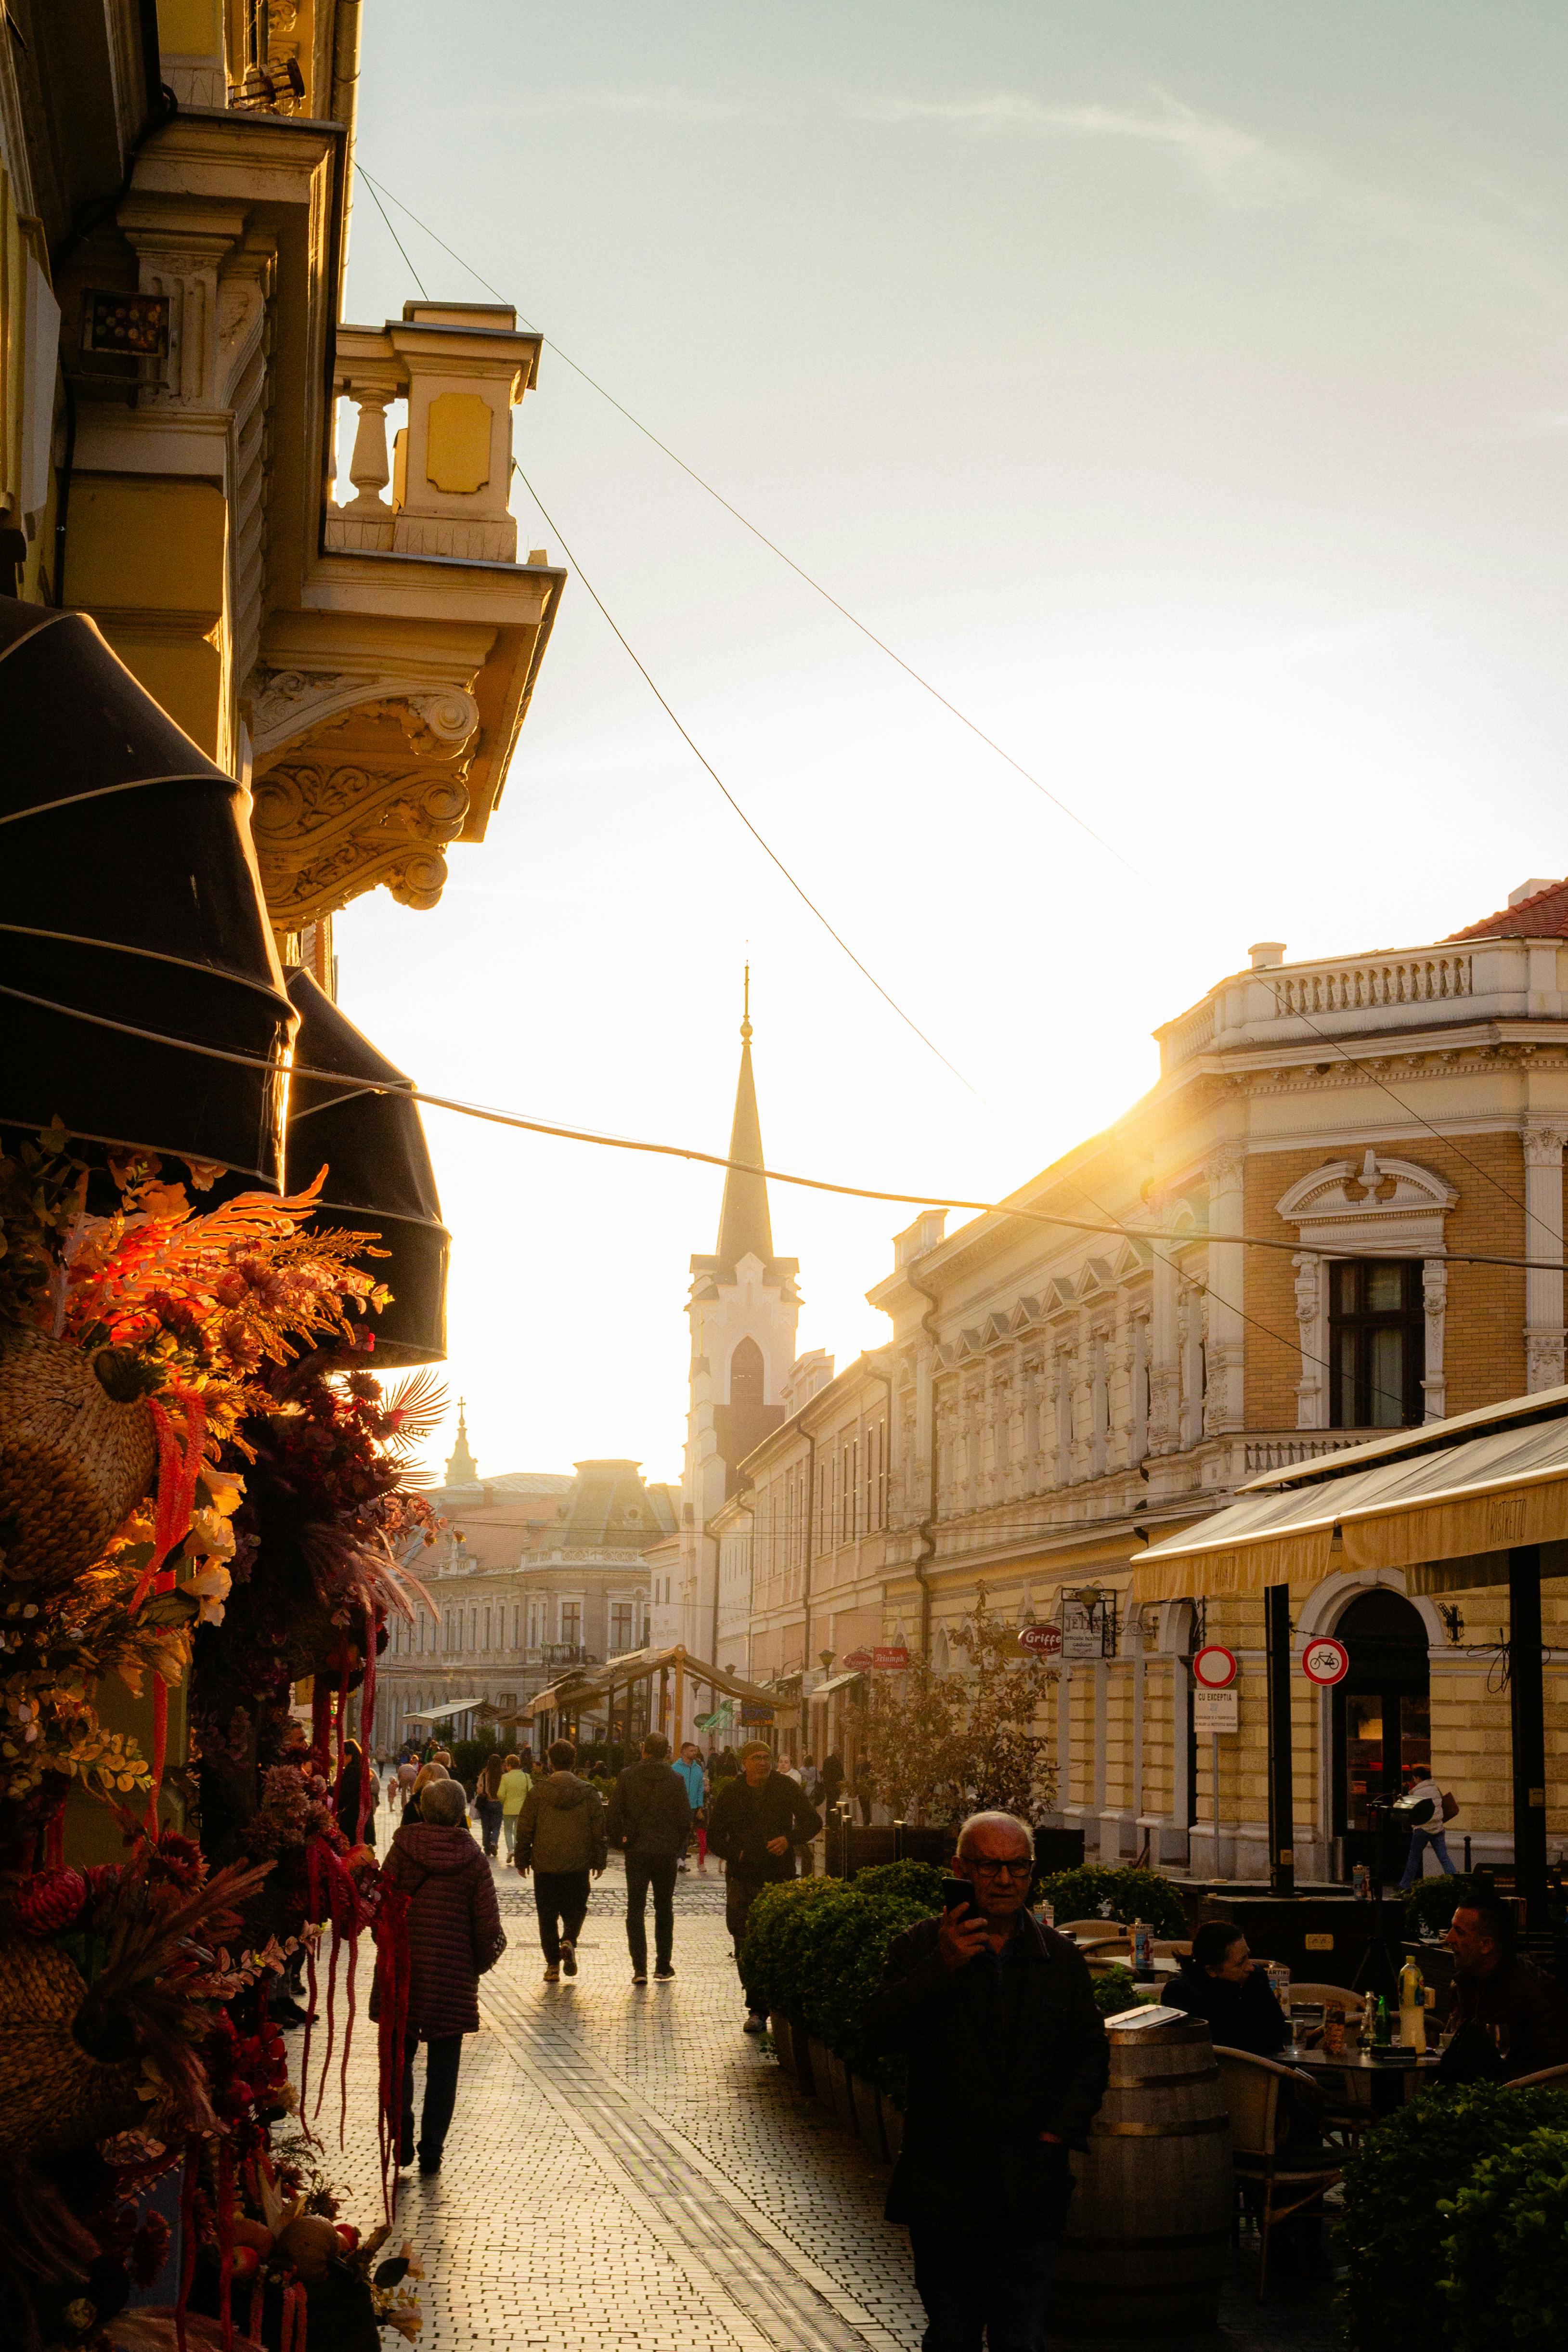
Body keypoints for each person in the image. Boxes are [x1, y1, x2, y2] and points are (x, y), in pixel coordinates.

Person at [860, 1810, 1109, 2352]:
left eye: (1016, 1867)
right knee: (951, 2333)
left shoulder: (1057, 1957)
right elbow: (875, 2031)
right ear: (958, 1869)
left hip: (1029, 2186)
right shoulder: (920, 1946)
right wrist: (941, 1966)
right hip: (946, 2186)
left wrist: (1055, 2133)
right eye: (988, 1866)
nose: (1003, 1880)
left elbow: (1089, 2053)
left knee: (1020, 2335)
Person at [376, 1776, 506, 2174]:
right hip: (451, 1975)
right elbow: (487, 1927)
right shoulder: (474, 1858)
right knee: (444, 2069)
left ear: (422, 1808)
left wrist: (388, 1947)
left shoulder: (401, 1851)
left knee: (399, 2058)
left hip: (404, 1971)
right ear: (461, 1812)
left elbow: (379, 1907)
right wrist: (475, 1966)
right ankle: (432, 2148)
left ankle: (401, 2135)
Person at [706, 1740, 823, 2031]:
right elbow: (715, 1836)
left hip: (778, 1875)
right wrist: (737, 1854)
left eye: (766, 1757)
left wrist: (789, 1840)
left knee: (778, 1938)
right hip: (742, 1877)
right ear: (744, 1762)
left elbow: (813, 1821)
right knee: (744, 1941)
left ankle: (778, 2005)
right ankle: (757, 2008)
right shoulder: (732, 1793)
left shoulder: (785, 1787)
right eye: (756, 1758)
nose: (762, 1762)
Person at [513, 1738, 607, 1981]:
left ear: (550, 1763)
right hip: (578, 1862)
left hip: (545, 1863)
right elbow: (598, 1829)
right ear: (574, 1762)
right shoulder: (588, 1793)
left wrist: (522, 1858)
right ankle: (569, 1939)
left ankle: (553, 1966)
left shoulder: (539, 1792)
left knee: (547, 1915)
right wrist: (600, 1859)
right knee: (576, 1908)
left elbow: (525, 1827)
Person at [1444, 1896, 1568, 2078]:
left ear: (1486, 1945)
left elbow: (1552, 2070)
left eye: (1459, 1932)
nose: (1449, 1938)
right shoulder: (1465, 1983)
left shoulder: (1536, 1991)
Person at [607, 1733, 692, 1983]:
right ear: (666, 1751)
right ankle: (662, 1965)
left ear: (644, 1750)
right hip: (665, 1852)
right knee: (664, 1908)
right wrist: (676, 1845)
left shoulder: (627, 1776)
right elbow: (685, 1818)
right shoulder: (675, 1779)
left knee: (636, 1908)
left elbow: (613, 1813)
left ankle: (639, 1970)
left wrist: (619, 1841)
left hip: (637, 1850)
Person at [1166, 1922, 1289, 2057]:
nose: (1250, 1967)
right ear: (1212, 1970)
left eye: (1248, 1957)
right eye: (1241, 1963)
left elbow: (1279, 2026)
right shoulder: (1182, 1994)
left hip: (1273, 2068)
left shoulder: (1256, 1978)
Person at [1396, 1768, 1457, 1887]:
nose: (1414, 1781)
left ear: (1418, 1779)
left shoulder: (1417, 1793)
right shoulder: (1435, 1788)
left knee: (1414, 1858)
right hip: (1438, 1828)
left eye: (1414, 1779)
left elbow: (1412, 1811)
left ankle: (1405, 1885)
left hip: (1422, 1829)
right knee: (1444, 1857)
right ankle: (1455, 1881)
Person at [673, 1740, 708, 1873]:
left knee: (686, 1833)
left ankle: (681, 1859)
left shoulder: (698, 1769)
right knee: (678, 1832)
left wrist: (700, 1806)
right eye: (691, 1751)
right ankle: (677, 1859)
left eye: (695, 1751)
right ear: (684, 1752)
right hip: (678, 1806)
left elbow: (700, 1789)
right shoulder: (675, 1768)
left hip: (692, 1806)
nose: (694, 1753)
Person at [335, 1737, 376, 1845]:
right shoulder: (361, 1770)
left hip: (354, 1824)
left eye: (341, 1756)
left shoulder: (352, 1772)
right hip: (363, 1822)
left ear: (350, 1756)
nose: (339, 1759)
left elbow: (343, 1797)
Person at [498, 1752, 531, 1860]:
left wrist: (503, 1802)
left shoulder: (505, 1777)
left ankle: (510, 1850)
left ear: (509, 1766)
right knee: (517, 1830)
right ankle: (517, 1851)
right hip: (522, 1809)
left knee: (507, 1830)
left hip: (508, 1809)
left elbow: (500, 1794)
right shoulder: (526, 1777)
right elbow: (531, 1791)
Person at [475, 1748, 505, 1858]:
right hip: (498, 1803)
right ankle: (494, 1843)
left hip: (486, 1803)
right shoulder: (503, 1775)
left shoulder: (484, 1775)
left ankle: (487, 1847)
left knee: (486, 1827)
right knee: (497, 1826)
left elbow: (479, 1788)